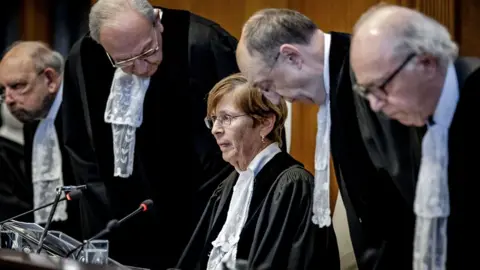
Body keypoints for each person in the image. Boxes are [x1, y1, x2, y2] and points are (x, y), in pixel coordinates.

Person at [62, 0, 244, 269]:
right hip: (119, 222)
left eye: (148, 51)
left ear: (157, 22)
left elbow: (244, 132)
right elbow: (79, 144)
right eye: (123, 61)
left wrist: (209, 207)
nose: (141, 68)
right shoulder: (84, 57)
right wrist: (104, 205)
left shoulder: (202, 43)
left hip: (196, 214)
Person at [235, 8, 419, 269]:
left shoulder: (375, 76)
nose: (275, 99)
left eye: (267, 85)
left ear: (292, 57)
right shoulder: (340, 77)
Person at [350, 4, 480, 269]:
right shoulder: (415, 112)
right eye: (366, 92)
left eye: (381, 87)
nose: (375, 106)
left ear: (426, 63)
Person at [176, 73, 339, 270]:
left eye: (226, 118)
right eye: (213, 120)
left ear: (265, 123)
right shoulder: (229, 187)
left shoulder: (294, 186)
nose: (215, 130)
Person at [0, 41, 81, 239]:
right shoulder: (32, 120)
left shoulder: (80, 114)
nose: (8, 99)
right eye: (3, 90)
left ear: (50, 79)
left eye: (18, 86)